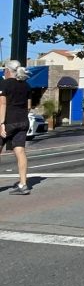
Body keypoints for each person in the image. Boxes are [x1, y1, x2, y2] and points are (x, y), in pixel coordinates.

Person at [0, 59, 33, 195]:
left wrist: (1, 123)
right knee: (20, 151)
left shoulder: (4, 84)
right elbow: (29, 106)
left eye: (4, 70)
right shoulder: (26, 85)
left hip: (8, 121)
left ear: (8, 70)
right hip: (23, 121)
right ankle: (23, 184)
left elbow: (2, 104)